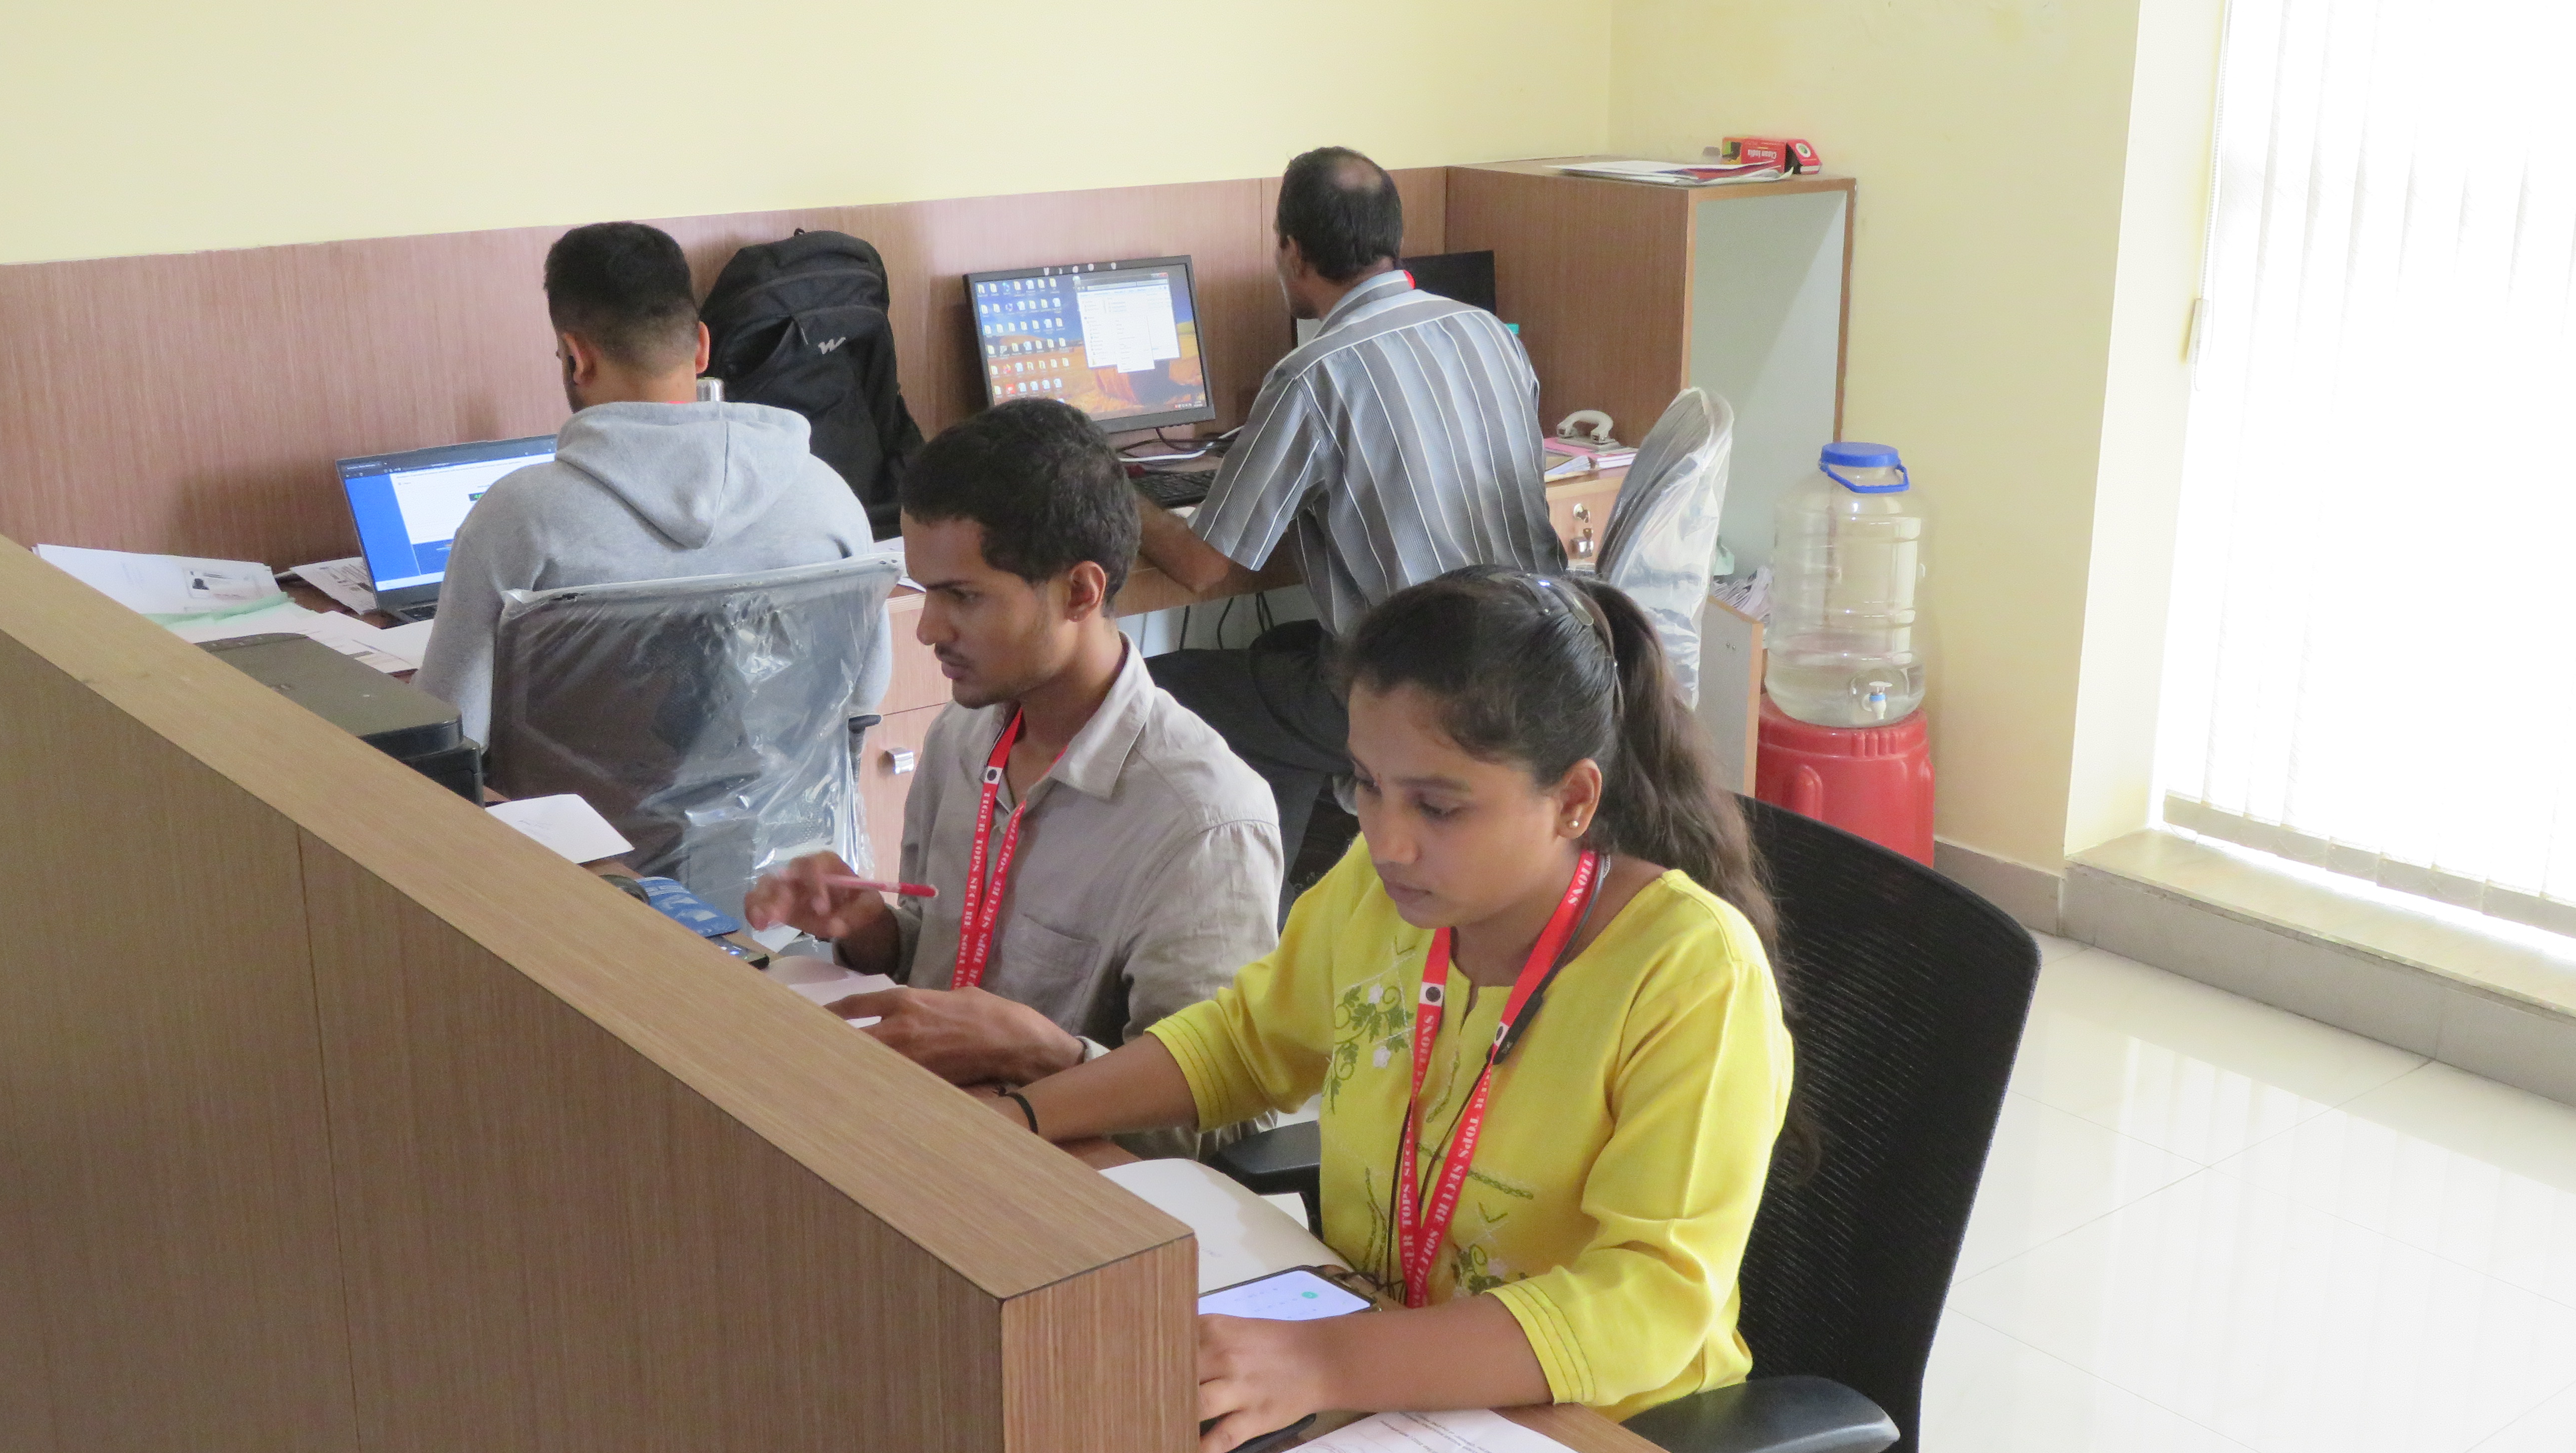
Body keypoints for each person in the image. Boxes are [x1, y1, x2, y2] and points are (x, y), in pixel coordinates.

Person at [984, 565, 1797, 1448]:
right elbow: (1245, 1044)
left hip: (1585, 1419)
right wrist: (1020, 1119)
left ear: (1572, 800)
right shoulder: (1384, 894)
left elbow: (1646, 1299)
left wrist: (1324, 1361)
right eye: (1366, 784)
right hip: (1379, 1365)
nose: (1386, 840)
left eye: (1437, 807)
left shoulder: (1687, 970)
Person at [744, 399, 1286, 1154]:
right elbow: (939, 962)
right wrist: (871, 932)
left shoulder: (1203, 819)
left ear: (1080, 593)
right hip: (924, 1126)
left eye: (963, 596)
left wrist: (1049, 1059)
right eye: (925, 591)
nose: (928, 629)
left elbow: (1224, 1116)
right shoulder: (966, 734)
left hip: (1059, 1171)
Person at [1138, 146, 1564, 871]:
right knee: (1277, 657)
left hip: (1420, 690)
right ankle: (1303, 893)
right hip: (1532, 656)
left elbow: (1203, 566)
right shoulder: (1489, 332)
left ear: (1293, 252)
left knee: (1158, 682)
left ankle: (1253, 907)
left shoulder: (1313, 374)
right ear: (1393, 237)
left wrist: (1116, 490)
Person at [417, 221, 887, 743]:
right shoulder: (828, 497)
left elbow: (449, 728)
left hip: (570, 802)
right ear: (702, 347)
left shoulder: (520, 518)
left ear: (576, 357)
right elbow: (864, 696)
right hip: (793, 801)